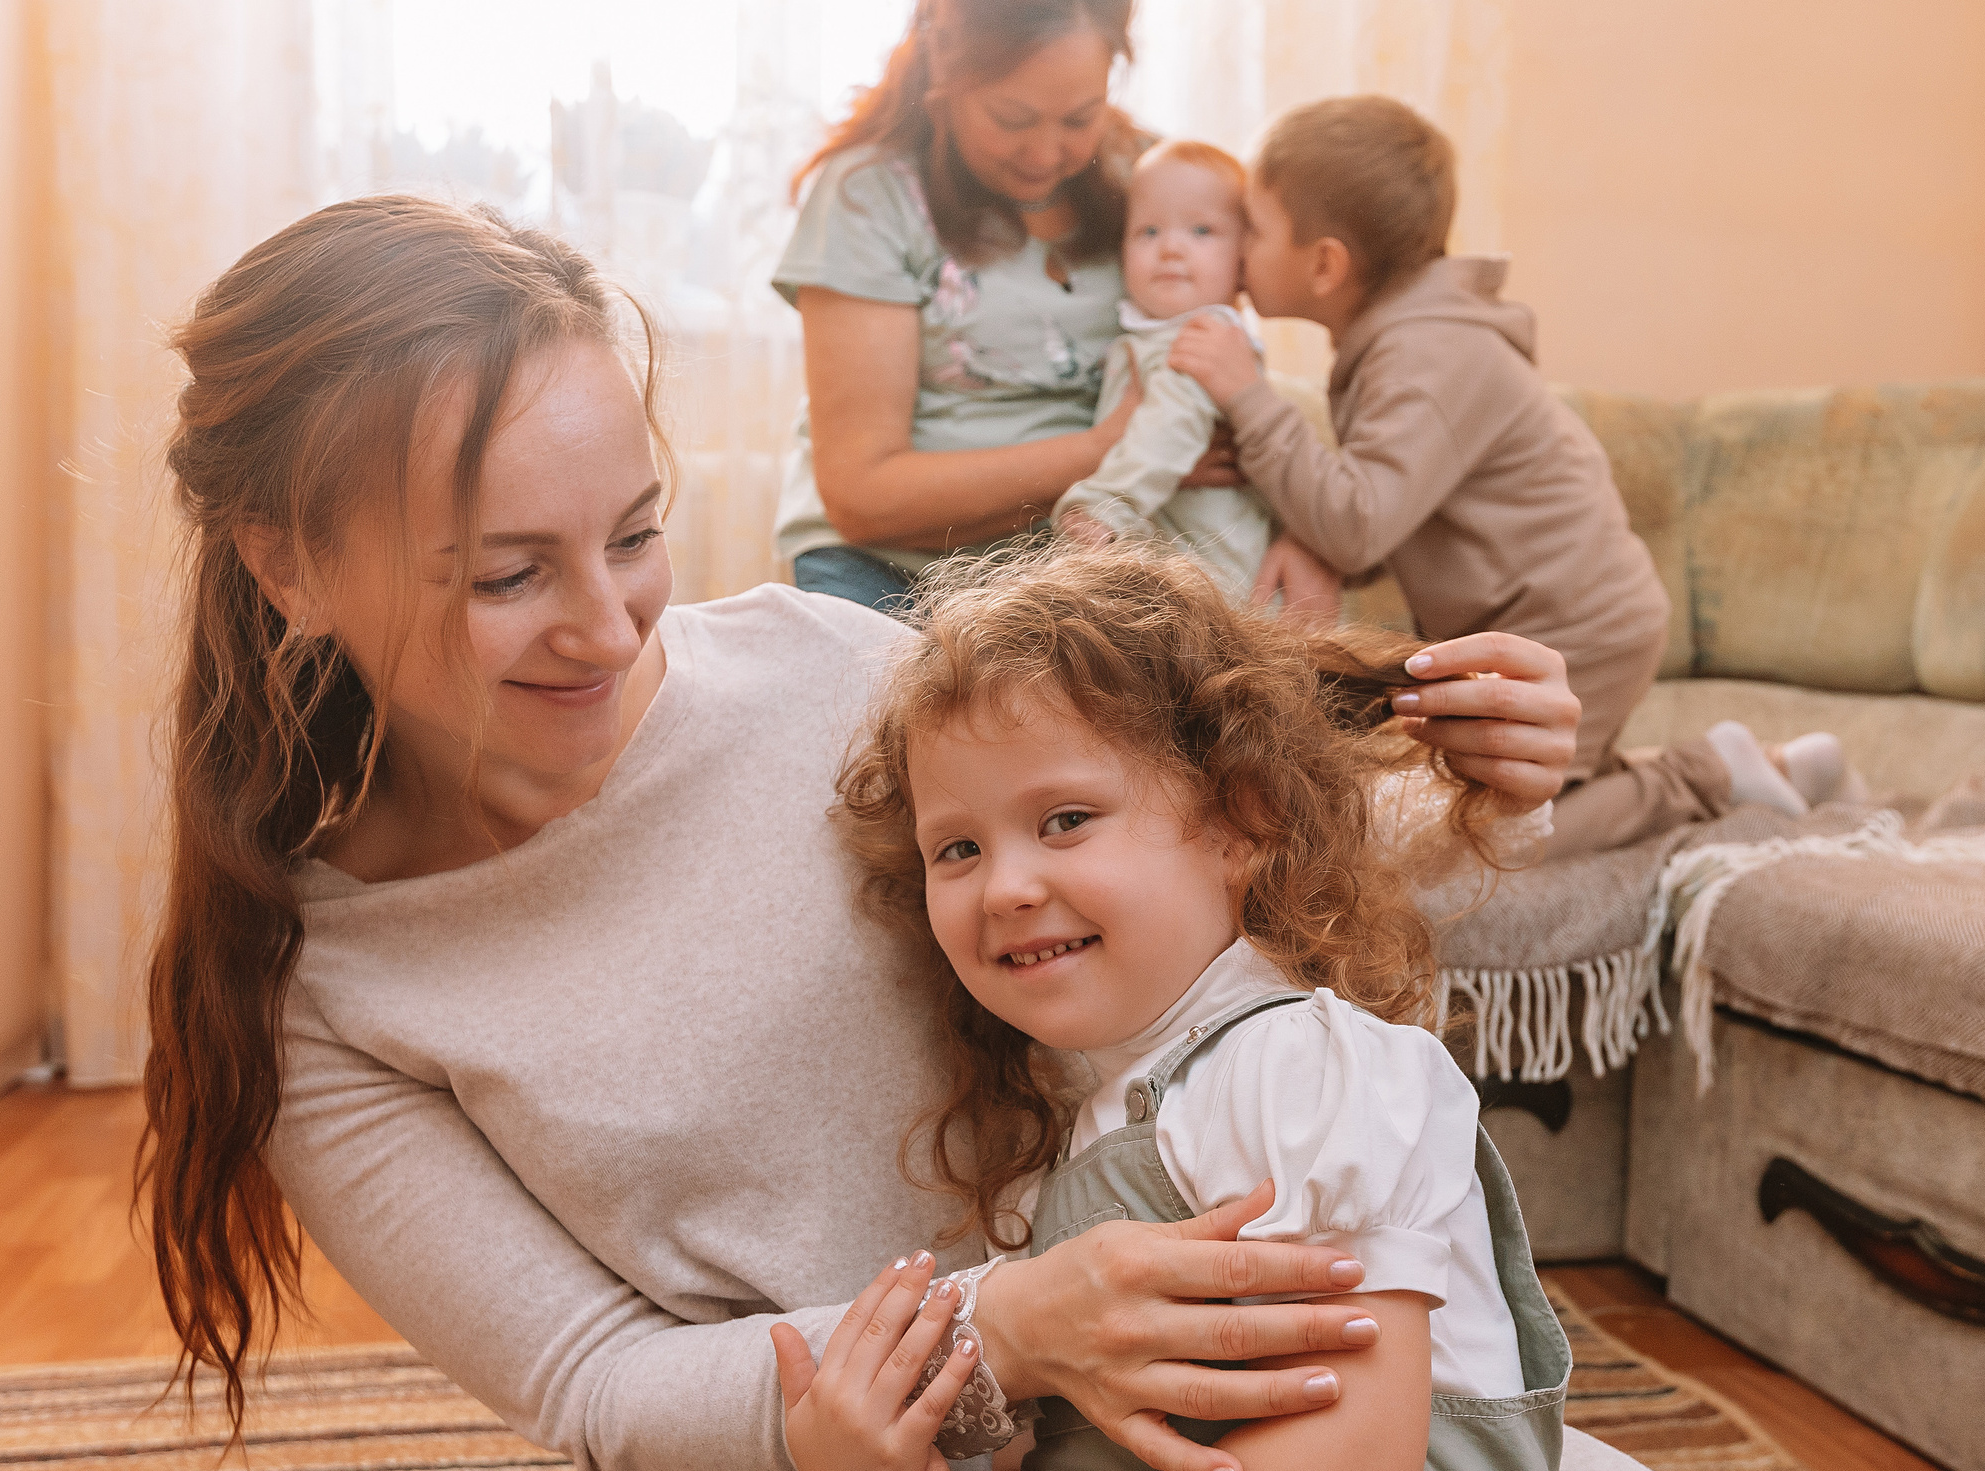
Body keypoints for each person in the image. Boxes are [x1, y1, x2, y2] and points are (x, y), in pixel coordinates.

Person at [134, 133, 1985, 1471]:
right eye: (503, 575)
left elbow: (1135, 860)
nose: (609, 620)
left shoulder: (816, 664)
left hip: (1255, 1434)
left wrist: (1473, 772)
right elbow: (598, 1388)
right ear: (291, 563)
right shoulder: (330, 987)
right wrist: (1018, 1327)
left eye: (635, 531)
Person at [539, 546, 1574, 1471]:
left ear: (1243, 821)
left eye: (1066, 819)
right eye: (958, 849)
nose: (1007, 885)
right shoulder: (1090, 1129)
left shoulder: (1304, 1067)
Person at [1170, 96, 1854, 853]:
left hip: (1575, 630)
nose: (1235, 251)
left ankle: (1712, 777)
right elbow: (1373, 514)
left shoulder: (1428, 353)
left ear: (1327, 263)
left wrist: (1247, 395)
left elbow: (1358, 523)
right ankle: (1773, 766)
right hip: (1539, 624)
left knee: (1497, 835)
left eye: (1254, 229)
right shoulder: (1407, 340)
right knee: (1516, 792)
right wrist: (1309, 532)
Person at [773, 0, 1337, 620]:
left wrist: (1308, 534)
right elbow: (863, 497)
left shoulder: (1153, 176)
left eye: (1079, 118)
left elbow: (1248, 354)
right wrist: (1111, 447)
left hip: (1086, 561)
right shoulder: (868, 195)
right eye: (1011, 119)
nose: (1044, 154)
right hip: (887, 563)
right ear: (943, 65)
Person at [1051, 143, 1274, 599]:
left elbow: (1172, 424)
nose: (1171, 248)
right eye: (1148, 231)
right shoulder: (1154, 333)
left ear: (1244, 261)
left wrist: (1103, 506)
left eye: (1202, 230)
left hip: (1219, 574)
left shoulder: (1205, 336)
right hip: (1175, 565)